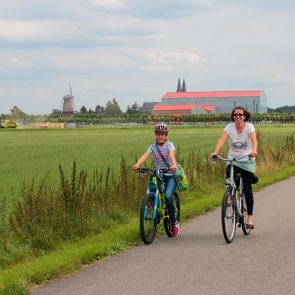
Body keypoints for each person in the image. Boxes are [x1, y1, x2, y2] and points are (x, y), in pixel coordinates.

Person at [211, 106, 257, 229]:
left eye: (240, 115)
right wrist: (215, 152)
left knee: (247, 188)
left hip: (247, 159)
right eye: (235, 115)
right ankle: (230, 196)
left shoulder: (249, 127)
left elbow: (253, 140)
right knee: (229, 177)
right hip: (233, 159)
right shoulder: (229, 127)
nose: (237, 117)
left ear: (245, 116)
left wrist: (254, 151)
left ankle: (250, 217)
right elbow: (221, 140)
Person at [133, 123, 180, 236]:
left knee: (168, 196)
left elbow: (171, 156)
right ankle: (151, 201)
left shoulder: (169, 145)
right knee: (151, 185)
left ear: (166, 135)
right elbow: (145, 155)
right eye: (158, 134)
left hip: (170, 175)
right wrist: (137, 164)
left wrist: (173, 165)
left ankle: (174, 222)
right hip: (158, 174)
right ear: (155, 135)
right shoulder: (152, 147)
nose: (160, 136)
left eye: (162, 134)